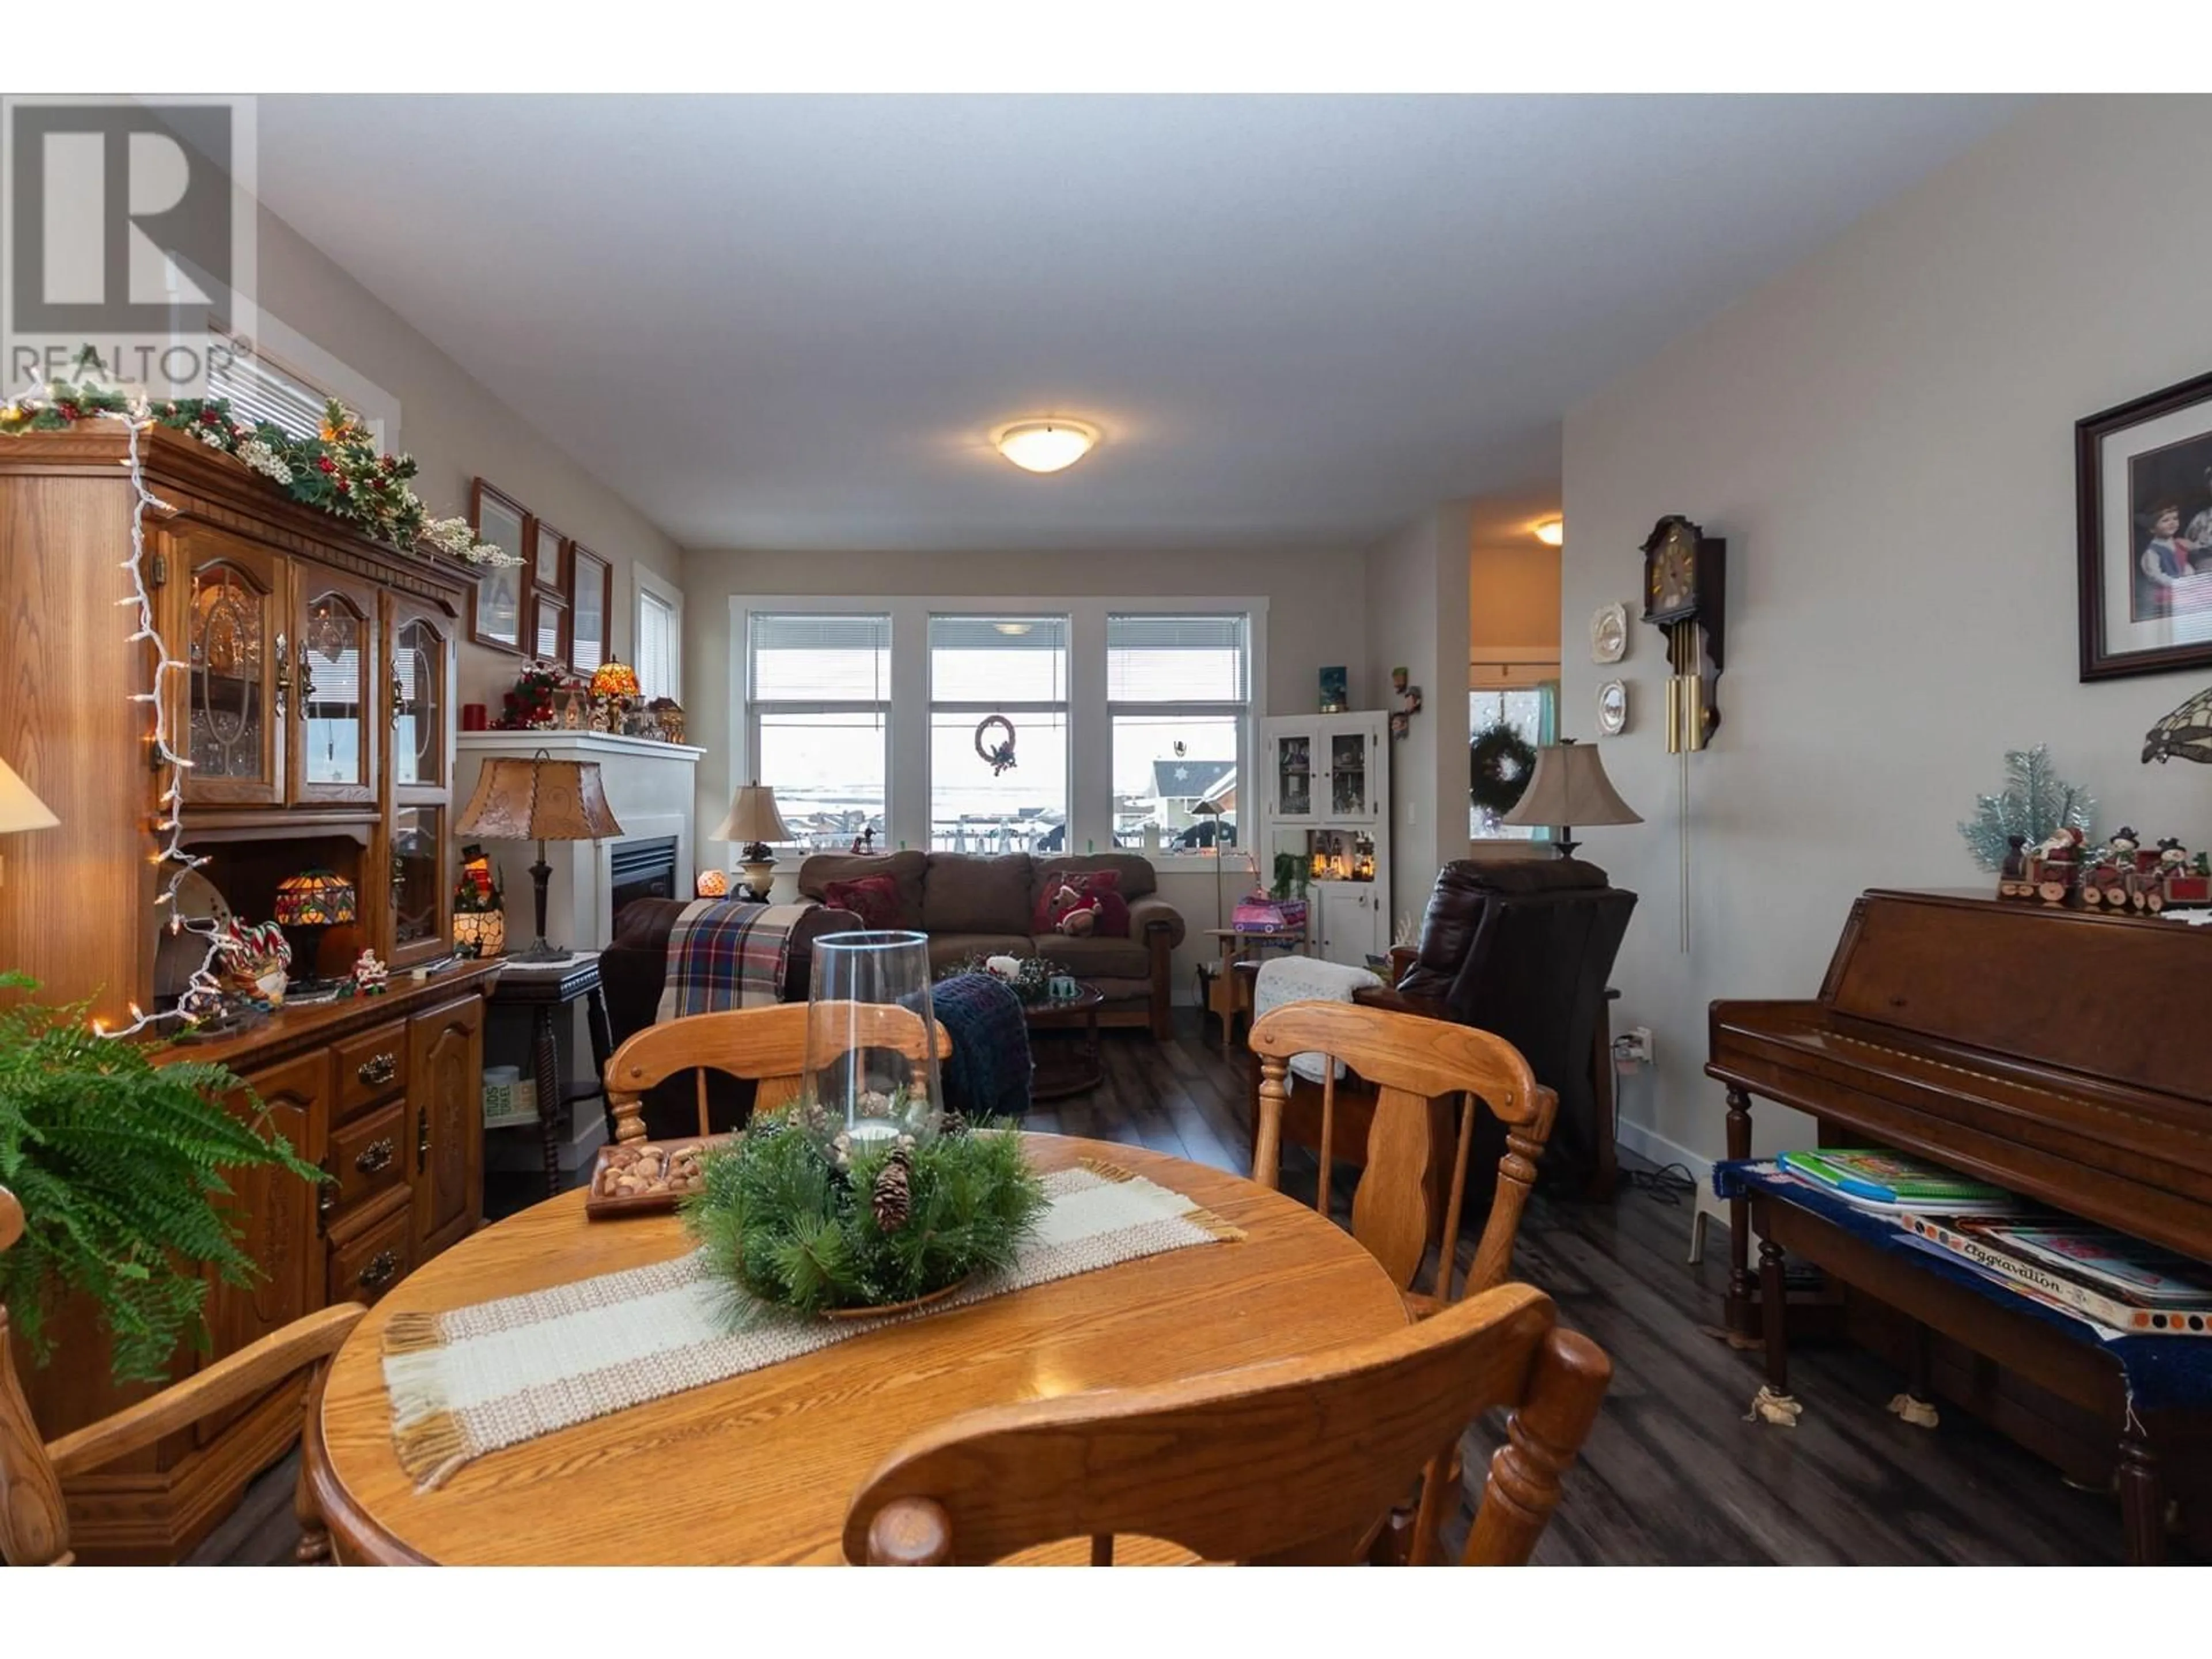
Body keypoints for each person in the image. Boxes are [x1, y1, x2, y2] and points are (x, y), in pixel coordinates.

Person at [2137, 502, 2198, 616]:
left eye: (2175, 518)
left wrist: (2189, 577)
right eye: (2165, 521)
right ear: (2152, 529)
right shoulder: (2153, 552)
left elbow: (2184, 564)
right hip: (2165, 590)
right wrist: (2177, 584)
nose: (2172, 523)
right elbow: (2155, 575)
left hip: (2182, 586)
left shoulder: (2177, 544)